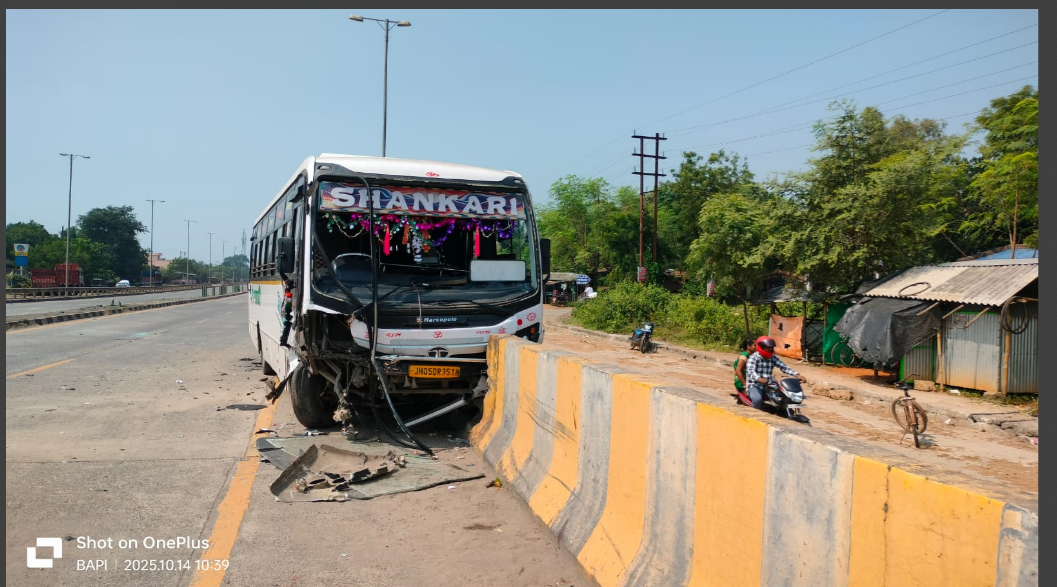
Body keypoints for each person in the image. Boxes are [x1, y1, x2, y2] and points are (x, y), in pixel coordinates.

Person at [744, 336, 807, 410]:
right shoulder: (753, 357)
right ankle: (754, 413)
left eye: (771, 347)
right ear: (761, 347)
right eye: (767, 347)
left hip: (770, 385)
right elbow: (751, 371)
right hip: (755, 385)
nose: (770, 349)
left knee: (784, 398)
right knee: (757, 400)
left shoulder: (773, 357)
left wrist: (797, 375)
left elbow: (784, 367)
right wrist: (758, 378)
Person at [733, 338, 754, 405]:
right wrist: (745, 385)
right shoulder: (744, 356)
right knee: (749, 402)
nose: (757, 347)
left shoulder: (753, 356)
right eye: (755, 345)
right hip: (741, 381)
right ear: (748, 346)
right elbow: (738, 371)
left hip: (749, 380)